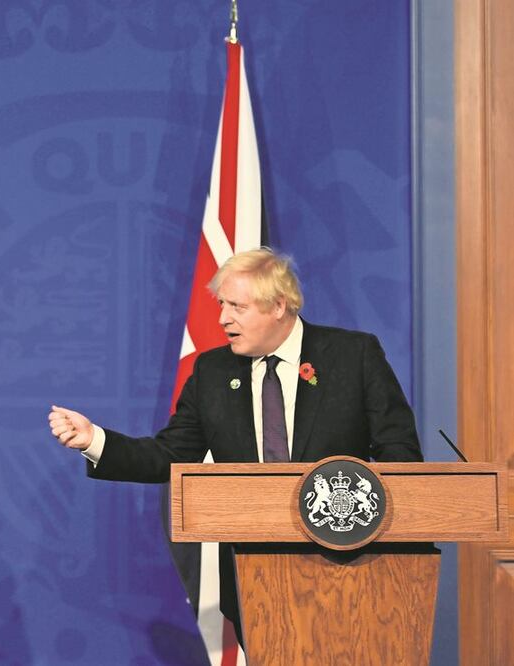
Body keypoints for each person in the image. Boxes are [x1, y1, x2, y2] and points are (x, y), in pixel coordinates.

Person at [47, 246, 423, 642]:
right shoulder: (212, 371)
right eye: (222, 304)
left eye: (237, 307)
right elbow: (170, 455)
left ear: (279, 305)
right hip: (253, 580)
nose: (224, 318)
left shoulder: (353, 356)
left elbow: (399, 454)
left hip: (352, 572)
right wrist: (94, 441)